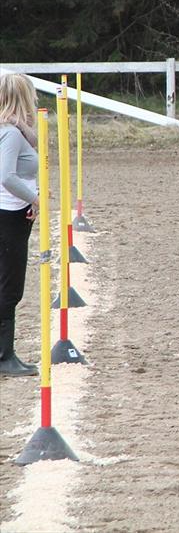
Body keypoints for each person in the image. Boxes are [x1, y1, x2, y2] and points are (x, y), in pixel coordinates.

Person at [0, 72, 40, 376]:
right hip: (8, 216)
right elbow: (7, 176)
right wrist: (35, 199)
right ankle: (4, 355)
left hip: (13, 211)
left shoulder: (13, 130)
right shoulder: (10, 133)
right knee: (9, 287)